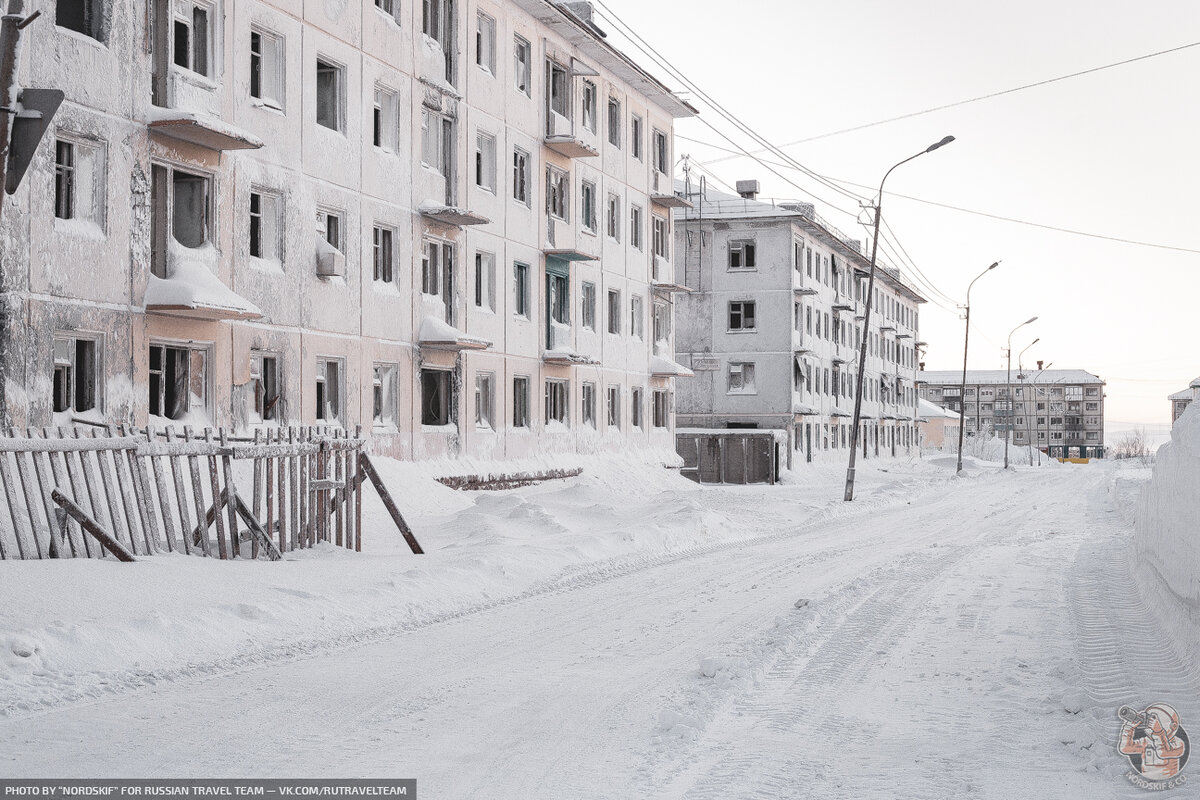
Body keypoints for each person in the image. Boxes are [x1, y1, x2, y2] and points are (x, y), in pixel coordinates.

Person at [1119, 703, 1187, 780]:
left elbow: (1163, 753)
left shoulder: (1178, 743)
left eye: (1153, 719)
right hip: (1146, 782)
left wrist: (1159, 732)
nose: (1149, 722)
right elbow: (1125, 748)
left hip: (1169, 783)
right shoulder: (1146, 741)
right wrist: (1129, 728)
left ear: (1173, 726)